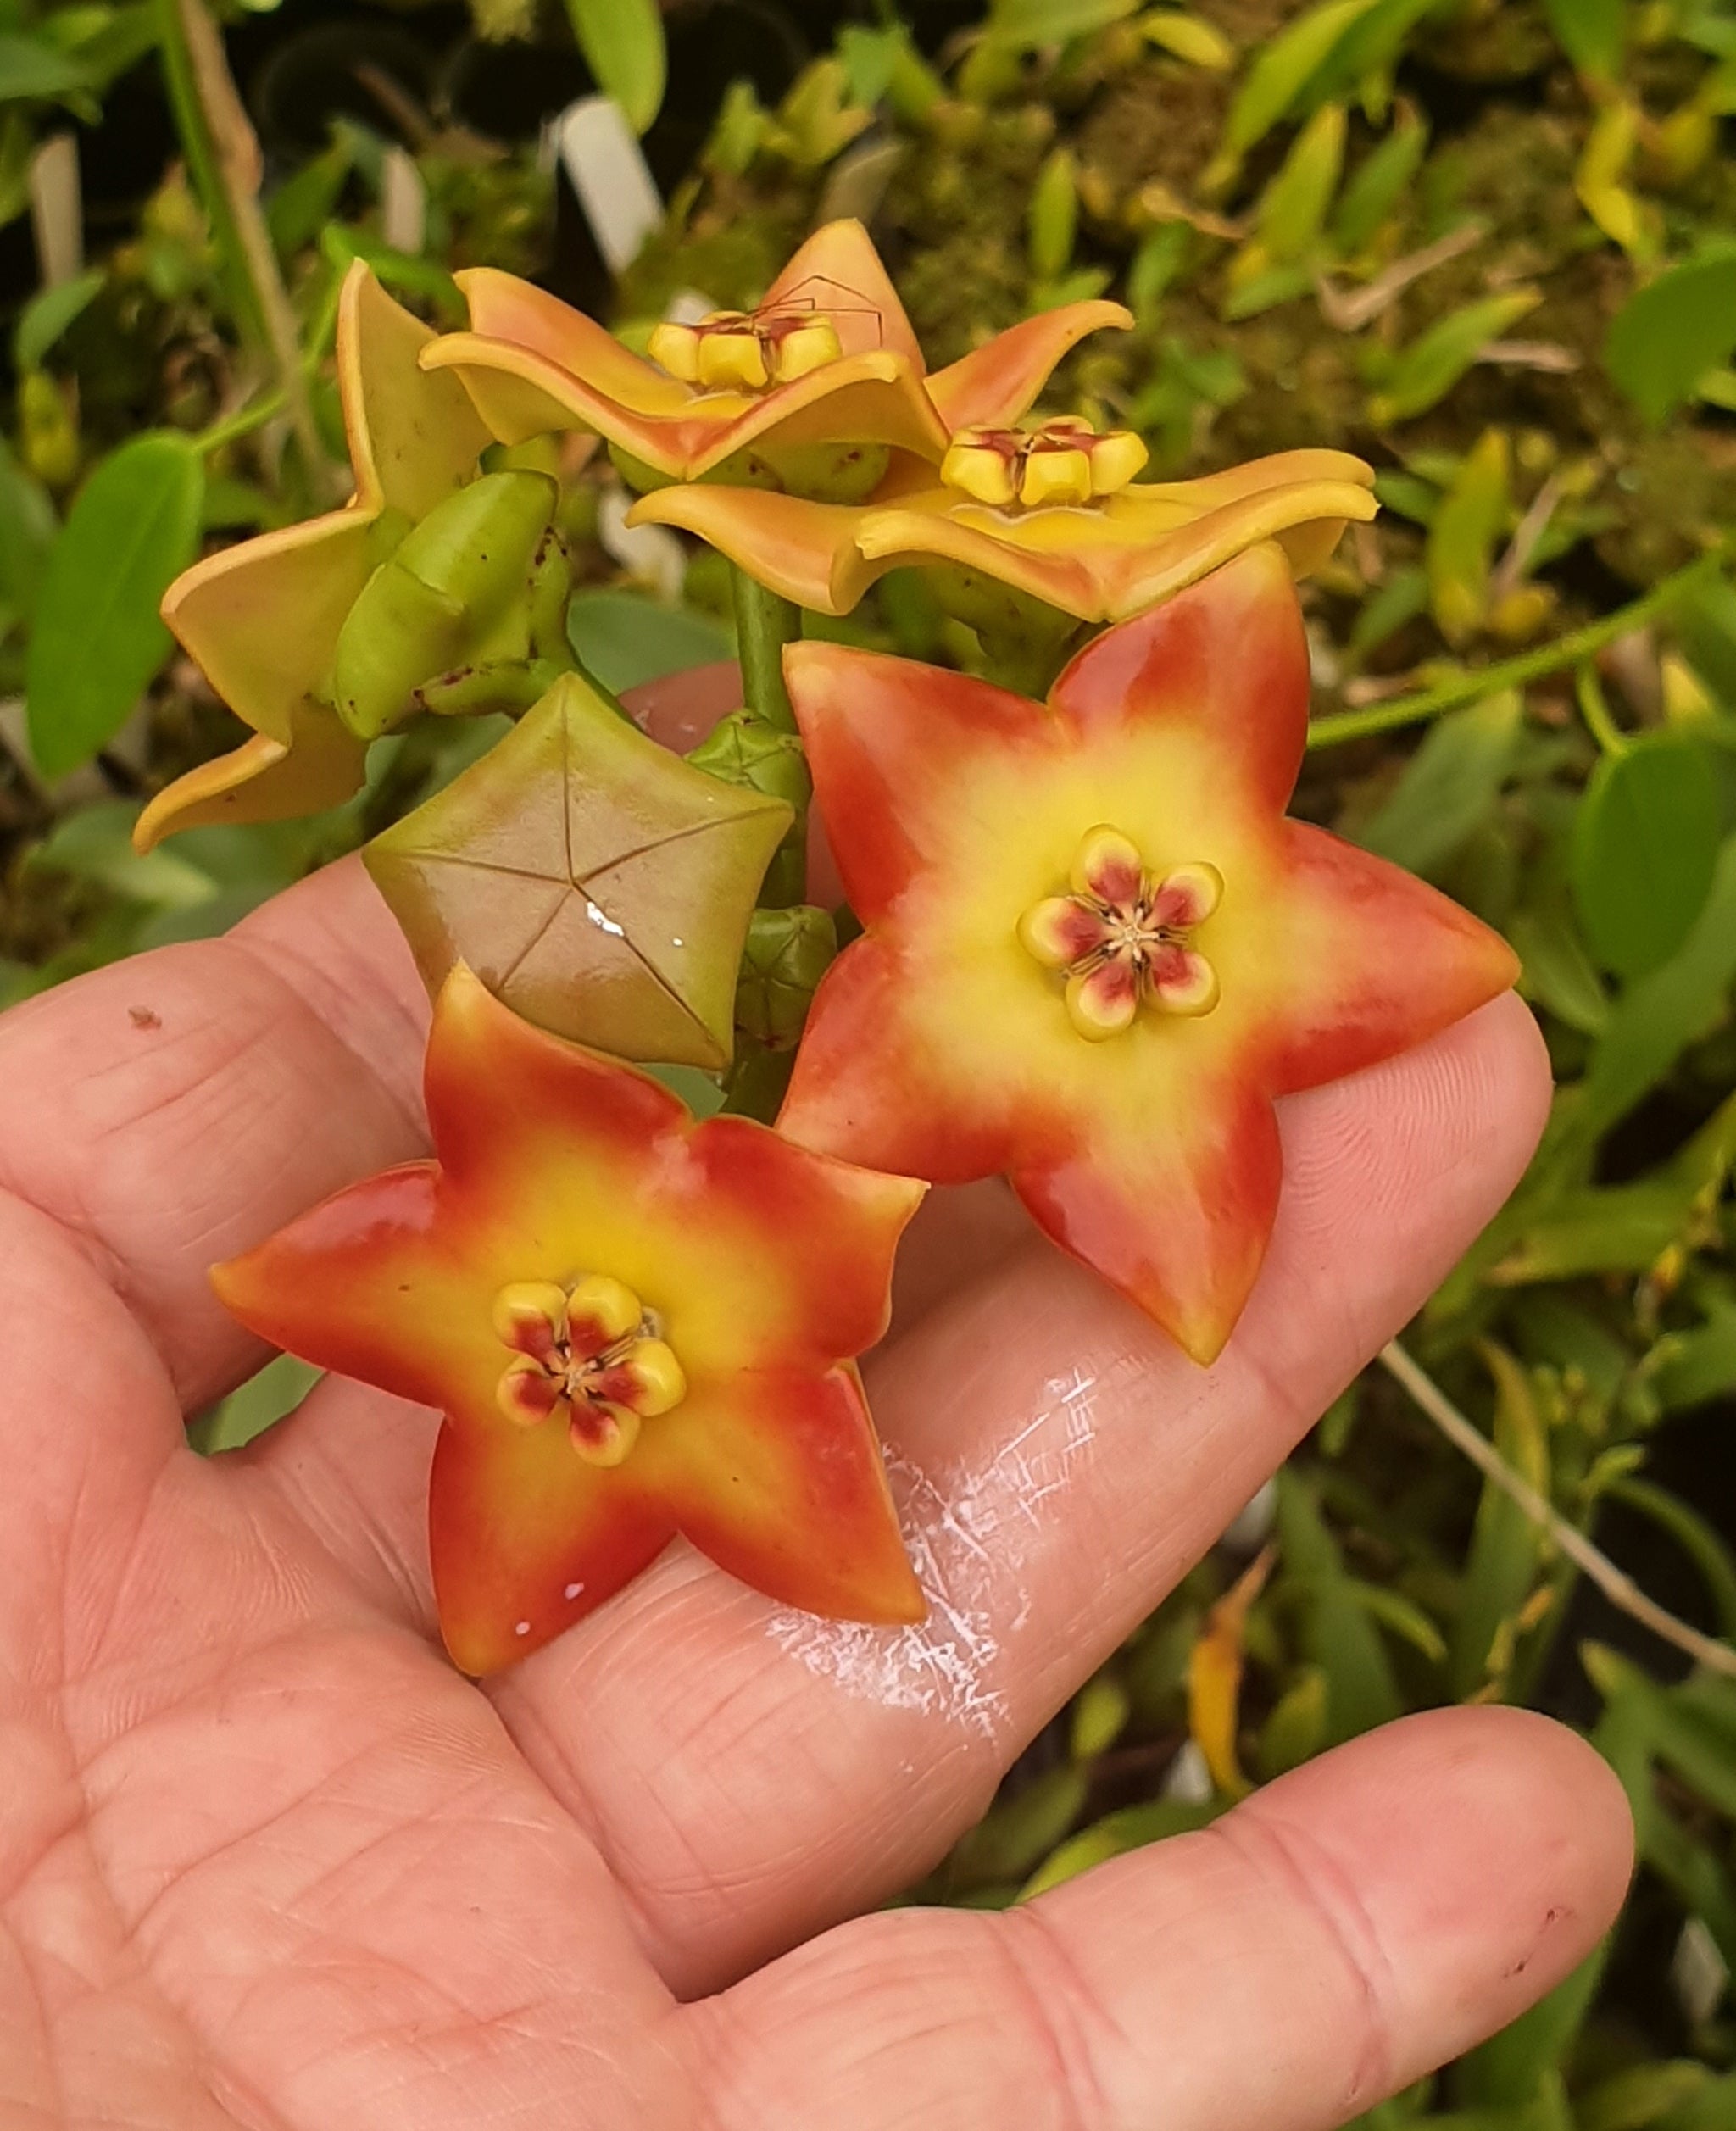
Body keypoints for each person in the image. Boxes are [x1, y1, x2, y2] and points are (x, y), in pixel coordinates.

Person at [0, 682, 1630, 2124]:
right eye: (575, 1374)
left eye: (1139, 931)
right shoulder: (796, 1174)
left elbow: (862, 1149)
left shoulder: (829, 1140)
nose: (1127, 934)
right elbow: (804, 1168)